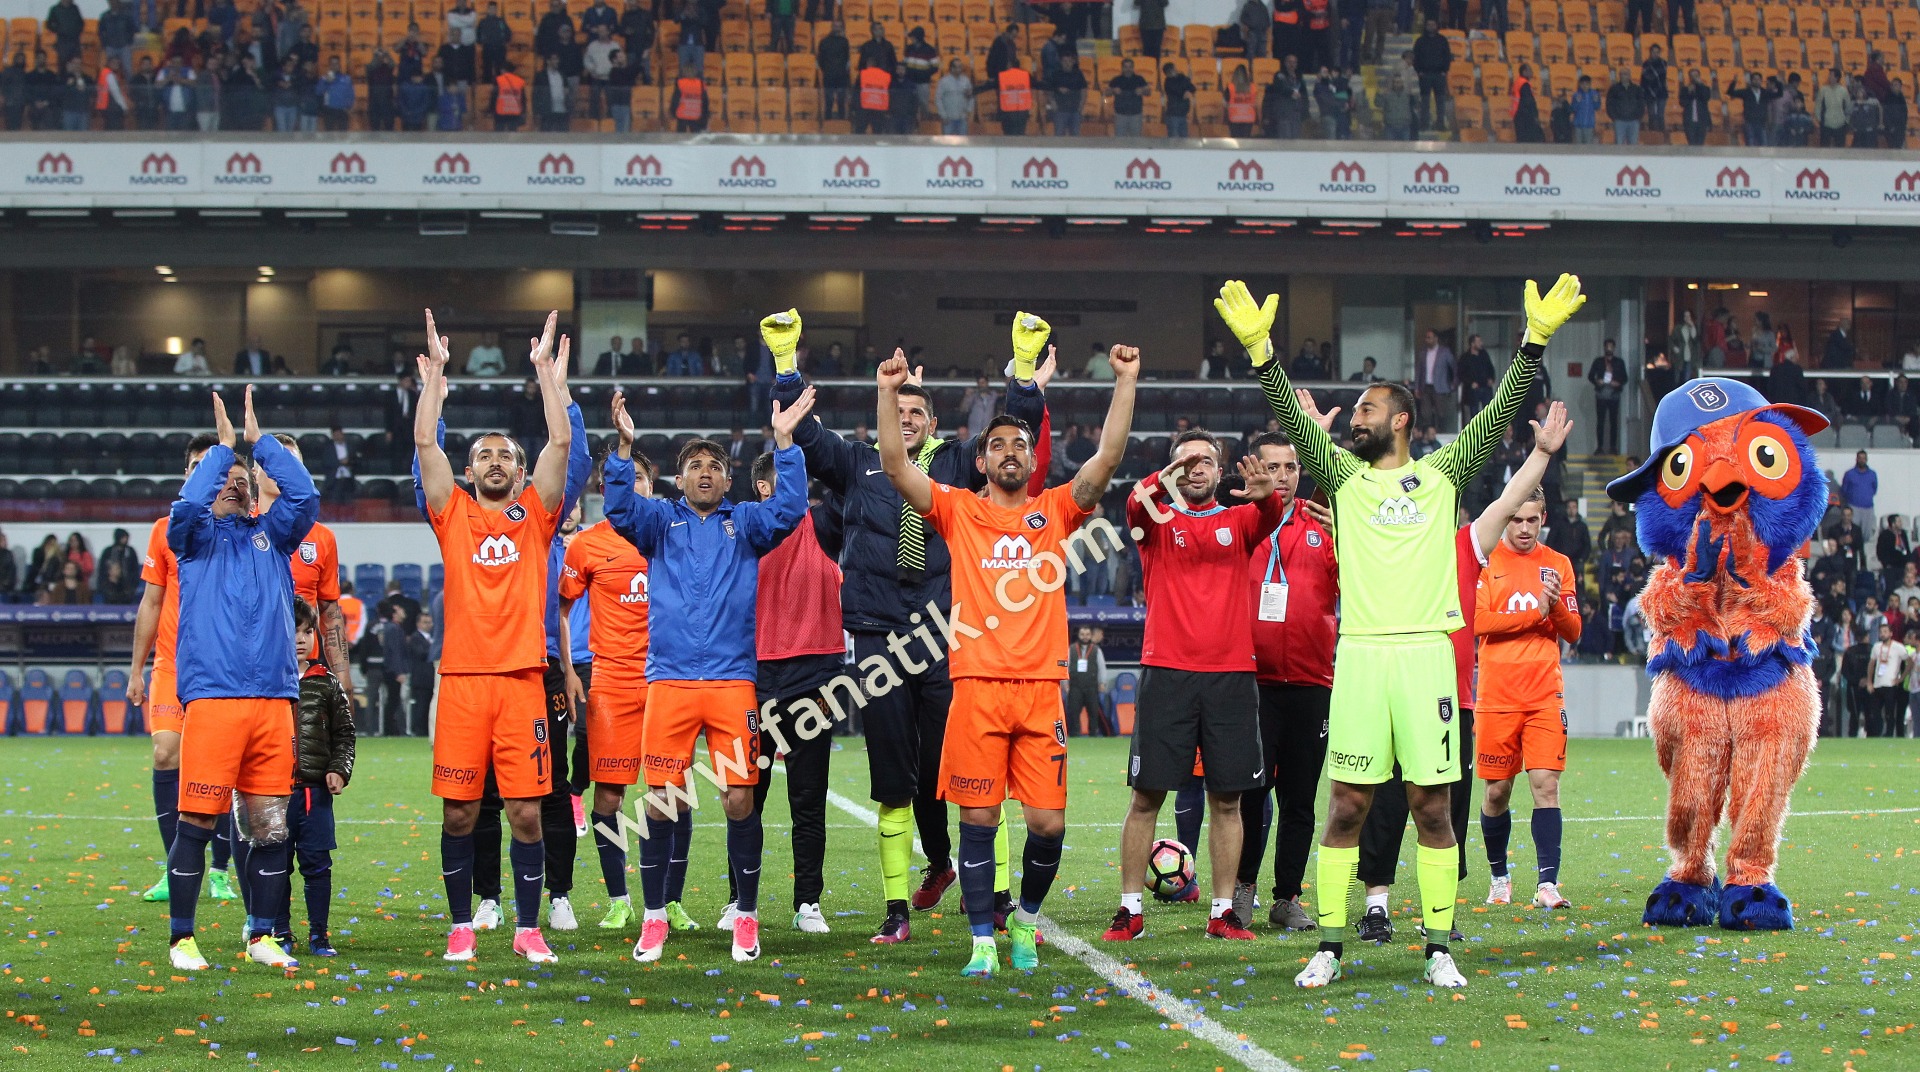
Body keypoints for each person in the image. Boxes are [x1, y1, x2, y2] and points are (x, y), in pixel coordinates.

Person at [1214, 270, 1584, 990]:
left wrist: (1534, 343)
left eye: (1369, 407)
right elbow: (1294, 423)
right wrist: (1262, 353)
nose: (1356, 415)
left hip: (1423, 658)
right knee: (1346, 803)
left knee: (1432, 805)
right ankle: (1328, 942)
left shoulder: (1443, 473)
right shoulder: (1344, 476)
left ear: (1401, 419)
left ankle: (1440, 946)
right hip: (1360, 658)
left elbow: (1498, 411)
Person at [773, 320, 1052, 942]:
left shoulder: (957, 463)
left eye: (917, 409)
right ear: (882, 415)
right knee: (893, 775)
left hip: (946, 635)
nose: (907, 417)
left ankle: (996, 894)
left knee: (959, 768)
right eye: (897, 409)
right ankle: (897, 908)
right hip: (876, 633)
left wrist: (1024, 376)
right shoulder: (856, 462)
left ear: (933, 421)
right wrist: (786, 363)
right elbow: (805, 432)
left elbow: (1016, 439)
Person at [878, 332, 1138, 978]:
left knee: (1047, 823)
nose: (1009, 452)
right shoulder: (958, 510)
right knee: (979, 817)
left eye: (1019, 444)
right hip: (976, 687)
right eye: (996, 445)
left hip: (1039, 689)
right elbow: (894, 465)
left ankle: (1023, 918)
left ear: (1031, 458)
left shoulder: (1054, 511)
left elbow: (1106, 459)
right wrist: (886, 392)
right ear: (982, 461)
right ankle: (982, 941)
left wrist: (1125, 382)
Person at [605, 359, 813, 966]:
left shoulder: (746, 522)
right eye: (694, 466)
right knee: (662, 802)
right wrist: (623, 448)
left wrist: (784, 444)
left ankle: (745, 917)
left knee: (740, 801)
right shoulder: (657, 522)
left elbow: (791, 510)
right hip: (668, 682)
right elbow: (619, 509)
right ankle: (652, 919)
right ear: (678, 478)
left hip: (731, 683)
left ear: (728, 481)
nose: (704, 473)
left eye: (715, 467)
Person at [1353, 401, 1572, 944]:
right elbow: (1351, 483)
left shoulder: (1468, 545)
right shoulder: (1380, 538)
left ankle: (1438, 914)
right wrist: (1317, 435)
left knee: (1442, 809)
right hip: (1383, 688)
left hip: (1451, 698)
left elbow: (1507, 498)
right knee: (1377, 806)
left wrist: (1541, 456)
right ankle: (1375, 906)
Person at [415, 309, 575, 966]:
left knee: (527, 815)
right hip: (461, 684)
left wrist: (545, 377)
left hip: (519, 685)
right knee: (458, 816)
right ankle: (461, 927)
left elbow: (560, 445)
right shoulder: (449, 510)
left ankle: (528, 928)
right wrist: (436, 380)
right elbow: (426, 446)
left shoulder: (535, 515)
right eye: (482, 454)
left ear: (518, 469)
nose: (493, 460)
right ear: (469, 467)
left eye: (504, 454)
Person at [163, 386, 320, 973]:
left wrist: (260, 447)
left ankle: (261, 935)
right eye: (224, 478)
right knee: (198, 822)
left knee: (270, 826)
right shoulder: (193, 540)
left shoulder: (273, 537)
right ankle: (183, 939)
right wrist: (221, 451)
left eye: (242, 478)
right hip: (215, 700)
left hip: (274, 699)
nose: (234, 482)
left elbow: (305, 494)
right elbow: (184, 509)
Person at [1104, 430, 1283, 943]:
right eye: (1186, 461)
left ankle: (1222, 913)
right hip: (1167, 672)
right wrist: (1164, 479)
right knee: (1146, 798)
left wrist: (1265, 489)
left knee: (1227, 802)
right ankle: (1130, 910)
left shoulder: (1240, 520)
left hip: (1231, 675)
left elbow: (1270, 513)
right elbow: (1135, 506)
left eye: (1207, 460)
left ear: (1221, 470)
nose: (1196, 467)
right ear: (1173, 470)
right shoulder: (1155, 522)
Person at [731, 453, 844, 935]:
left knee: (808, 799)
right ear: (762, 488)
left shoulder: (824, 523)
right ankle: (739, 900)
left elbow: (855, 481)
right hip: (751, 678)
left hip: (815, 676)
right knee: (746, 798)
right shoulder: (741, 534)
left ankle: (808, 902)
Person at [128, 435, 241, 907]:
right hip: (172, 665)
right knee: (164, 753)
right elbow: (152, 600)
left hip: (222, 667)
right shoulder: (166, 529)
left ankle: (217, 870)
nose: (202, 472)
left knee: (221, 769)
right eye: (195, 465)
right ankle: (173, 866)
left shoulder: (241, 528)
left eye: (208, 465)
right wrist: (136, 668)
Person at [1474, 486, 1581, 907]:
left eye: (1531, 520)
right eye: (1515, 520)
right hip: (1497, 697)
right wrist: (1533, 612)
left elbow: (1573, 631)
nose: (1523, 528)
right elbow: (1479, 621)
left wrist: (1553, 607)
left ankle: (1547, 884)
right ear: (1505, 519)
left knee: (1545, 786)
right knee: (1497, 792)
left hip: (1543, 695)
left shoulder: (1558, 565)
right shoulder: (1485, 563)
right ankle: (1500, 876)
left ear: (1543, 518)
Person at [277, 597, 355, 956]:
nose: (301, 639)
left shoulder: (325, 683)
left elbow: (345, 734)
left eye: (307, 631)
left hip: (314, 794)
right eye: (293, 631)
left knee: (317, 866)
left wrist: (339, 769)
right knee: (275, 865)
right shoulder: (264, 681)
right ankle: (277, 933)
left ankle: (319, 935)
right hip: (273, 793)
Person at [253, 435, 355, 702]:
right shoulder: (237, 529)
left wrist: (342, 674)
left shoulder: (322, 538)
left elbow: (330, 612)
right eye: (272, 462)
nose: (280, 471)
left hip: (303, 671)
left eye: (289, 463)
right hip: (248, 666)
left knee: (305, 744)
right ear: (255, 472)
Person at [1587, 339, 1627, 454]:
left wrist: (1617, 383)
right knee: (1600, 421)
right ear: (1604, 348)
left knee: (1613, 421)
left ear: (1614, 348)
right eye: (1607, 347)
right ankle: (1600, 447)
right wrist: (1597, 381)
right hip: (1601, 394)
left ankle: (1613, 447)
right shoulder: (1598, 361)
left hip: (1614, 394)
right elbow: (1590, 376)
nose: (1609, 349)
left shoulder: (1619, 362)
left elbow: (1625, 378)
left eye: (1611, 347)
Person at [1868, 623, 1908, 736]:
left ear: (1891, 633)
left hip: (1891, 685)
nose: (1882, 634)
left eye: (1885, 631)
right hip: (1877, 684)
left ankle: (1889, 734)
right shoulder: (1876, 647)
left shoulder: (1898, 647)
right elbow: (1871, 664)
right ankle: (1877, 734)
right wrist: (1869, 682)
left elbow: (1909, 662)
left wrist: (1901, 678)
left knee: (1890, 713)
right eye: (1881, 632)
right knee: (1875, 712)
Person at [1107, 57, 1148, 137]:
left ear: (1133, 68)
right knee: (1120, 141)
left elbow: (1149, 92)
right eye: (1126, 67)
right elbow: (1106, 93)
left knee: (1136, 141)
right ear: (1122, 68)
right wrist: (1113, 90)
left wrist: (1142, 91)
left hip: (1136, 115)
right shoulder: (1116, 80)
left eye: (1130, 67)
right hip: (1120, 115)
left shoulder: (1139, 79)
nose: (1128, 69)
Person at [817, 20, 849, 119]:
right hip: (829, 75)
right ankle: (828, 123)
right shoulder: (824, 41)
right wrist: (826, 70)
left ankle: (842, 123)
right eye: (835, 26)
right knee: (829, 102)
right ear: (832, 27)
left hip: (841, 76)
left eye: (839, 26)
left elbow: (846, 58)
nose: (837, 28)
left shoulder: (844, 42)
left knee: (841, 102)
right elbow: (820, 59)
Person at [1840, 450, 1877, 535]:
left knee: (1866, 533)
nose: (1862, 460)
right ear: (1856, 459)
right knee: (1853, 533)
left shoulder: (1872, 474)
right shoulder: (1849, 474)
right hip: (1853, 508)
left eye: (1864, 458)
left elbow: (1874, 489)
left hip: (1868, 509)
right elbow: (1844, 490)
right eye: (1860, 458)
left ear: (1866, 459)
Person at [1162, 61, 1193, 137]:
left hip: (1183, 114)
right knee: (1174, 140)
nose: (1176, 70)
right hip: (1173, 115)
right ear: (1169, 72)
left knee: (1184, 140)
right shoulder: (1168, 83)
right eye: (1174, 69)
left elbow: (1192, 88)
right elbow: (1179, 91)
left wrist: (1188, 89)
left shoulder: (1181, 78)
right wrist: (1188, 79)